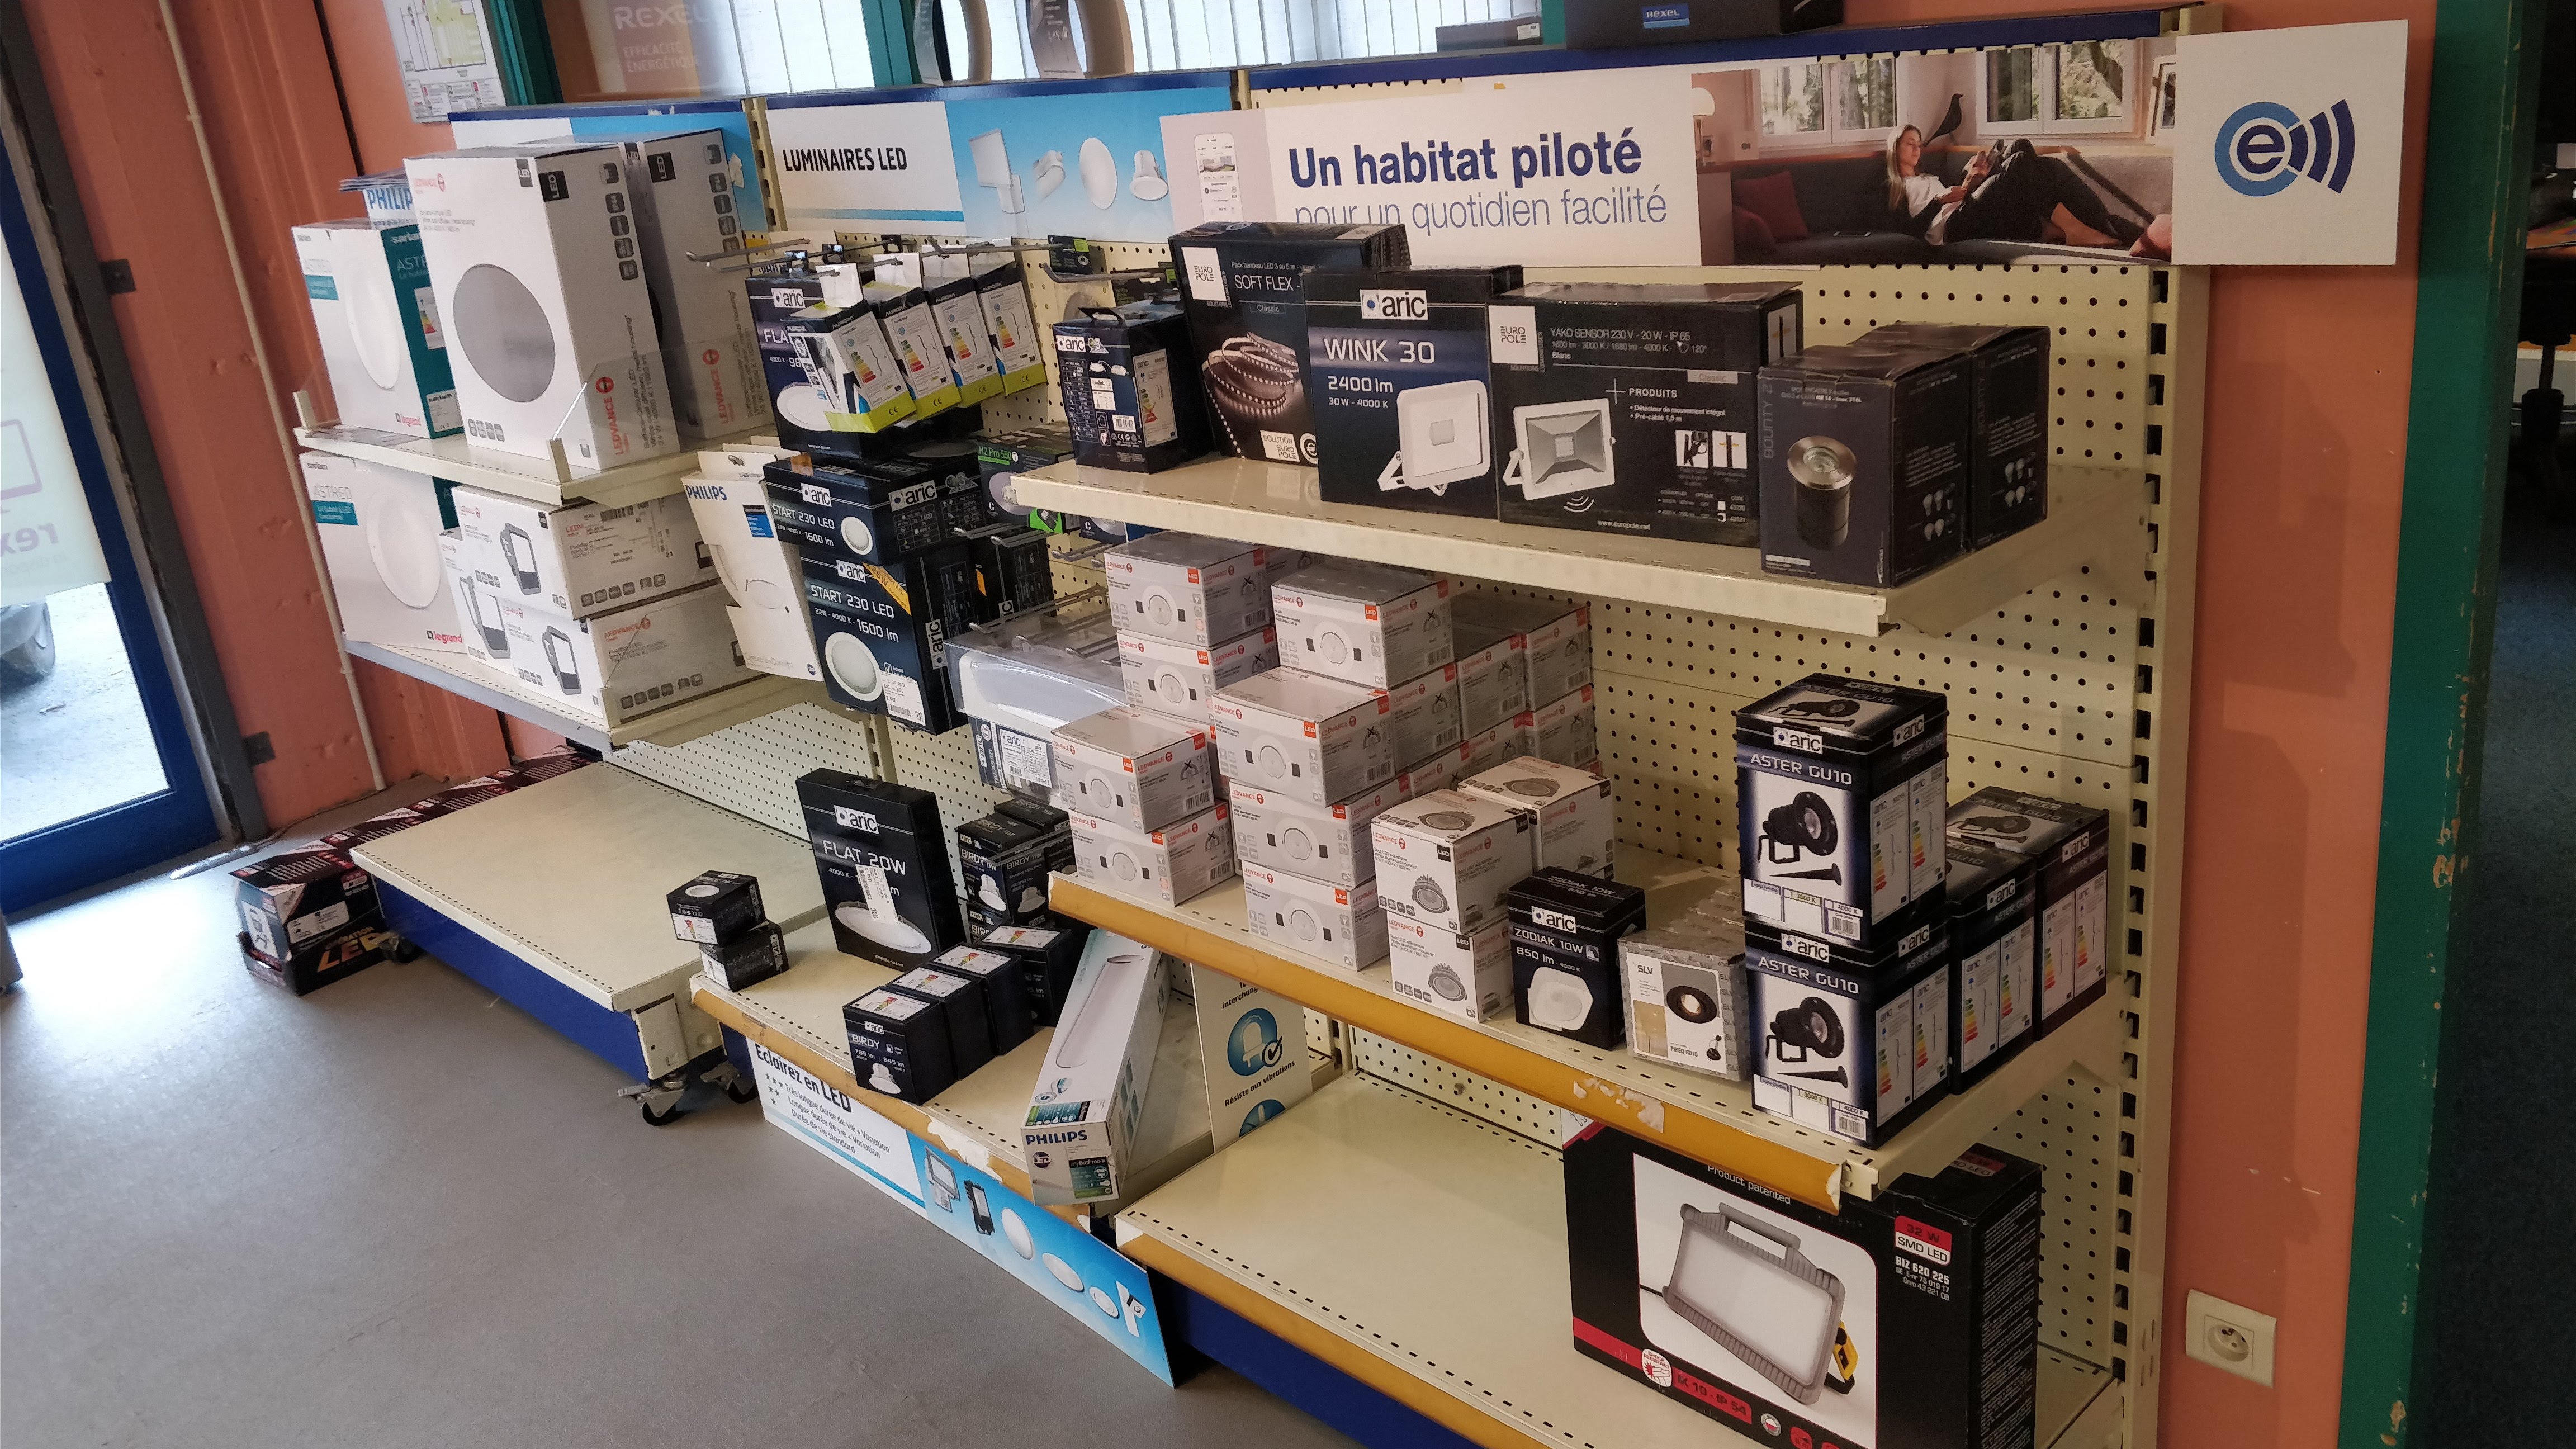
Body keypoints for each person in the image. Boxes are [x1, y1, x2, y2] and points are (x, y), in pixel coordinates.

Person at [1883, 125, 2152, 252]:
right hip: (1951, 231)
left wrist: (1973, 178)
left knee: (2021, 147)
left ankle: (2085, 227)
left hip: (1963, 211)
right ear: (1895, 148)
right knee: (2021, 161)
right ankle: (2077, 229)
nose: (1917, 148)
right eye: (1910, 143)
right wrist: (1937, 202)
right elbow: (1910, 231)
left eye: (1919, 143)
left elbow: (1957, 200)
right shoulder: (1894, 187)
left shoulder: (1930, 177)